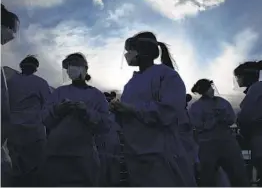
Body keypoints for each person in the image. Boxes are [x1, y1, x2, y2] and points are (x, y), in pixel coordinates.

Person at [110, 31, 196, 186]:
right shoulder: (130, 84)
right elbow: (126, 118)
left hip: (161, 154)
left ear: (143, 50)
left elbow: (168, 111)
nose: (127, 54)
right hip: (135, 153)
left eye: (131, 49)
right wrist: (117, 110)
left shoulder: (167, 75)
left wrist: (132, 109)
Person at [39, 52, 110, 187]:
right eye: (69, 65)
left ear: (85, 68)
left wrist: (87, 113)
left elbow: (105, 125)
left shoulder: (96, 95)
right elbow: (45, 119)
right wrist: (58, 110)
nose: (72, 68)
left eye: (75, 64)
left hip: (83, 155)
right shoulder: (59, 92)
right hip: (57, 153)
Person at [189, 79, 249, 187]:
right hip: (208, 144)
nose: (212, 90)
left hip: (226, 142)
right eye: (210, 88)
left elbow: (232, 118)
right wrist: (213, 120)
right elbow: (197, 125)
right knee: (207, 177)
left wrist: (224, 118)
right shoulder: (196, 107)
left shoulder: (222, 102)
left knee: (237, 173)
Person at [5, 55, 51, 186]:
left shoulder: (10, 81)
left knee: (16, 167)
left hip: (13, 130)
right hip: (34, 133)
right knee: (36, 168)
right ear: (35, 68)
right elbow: (49, 105)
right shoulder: (40, 82)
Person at [234, 60, 262, 186]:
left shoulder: (255, 89)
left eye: (238, 76)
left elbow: (246, 116)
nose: (237, 80)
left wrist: (241, 129)